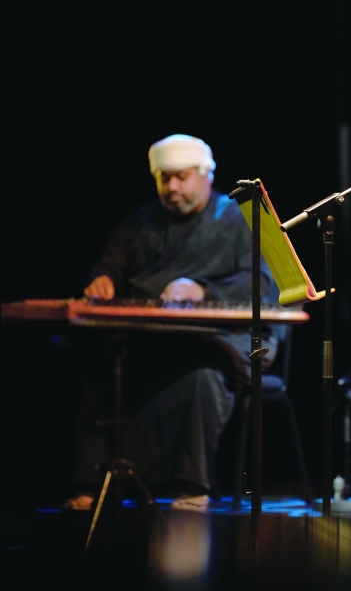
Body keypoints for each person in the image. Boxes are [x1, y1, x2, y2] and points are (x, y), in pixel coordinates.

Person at [66, 134, 279, 512]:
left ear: (205, 175)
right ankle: (93, 486)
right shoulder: (141, 223)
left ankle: (191, 487)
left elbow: (263, 283)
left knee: (200, 376)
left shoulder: (238, 219)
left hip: (226, 340)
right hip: (156, 340)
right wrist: (105, 280)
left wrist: (202, 290)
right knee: (101, 368)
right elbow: (110, 264)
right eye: (164, 178)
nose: (172, 187)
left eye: (181, 177)